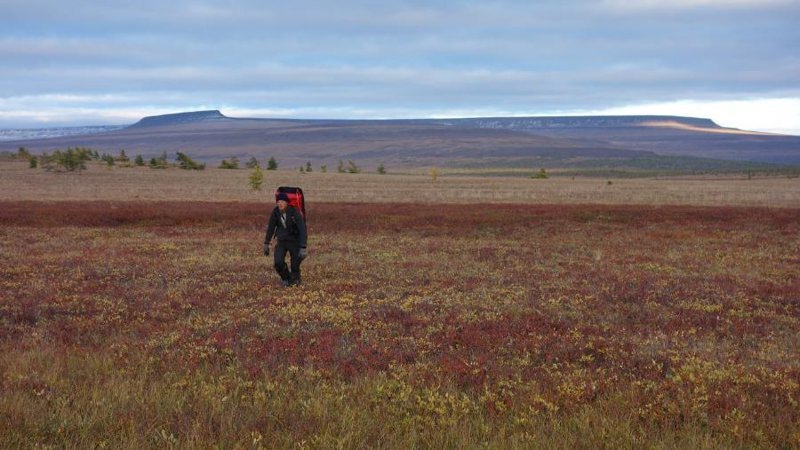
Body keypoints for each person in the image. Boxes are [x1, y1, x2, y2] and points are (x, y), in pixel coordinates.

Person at [263, 192, 307, 287]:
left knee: (295, 264)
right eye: (278, 201)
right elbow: (271, 227)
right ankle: (286, 279)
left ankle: (296, 279)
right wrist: (266, 243)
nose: (280, 204)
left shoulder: (294, 212)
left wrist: (303, 247)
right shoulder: (275, 212)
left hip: (294, 241)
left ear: (287, 203)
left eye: (282, 201)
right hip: (282, 241)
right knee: (278, 262)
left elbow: (302, 229)